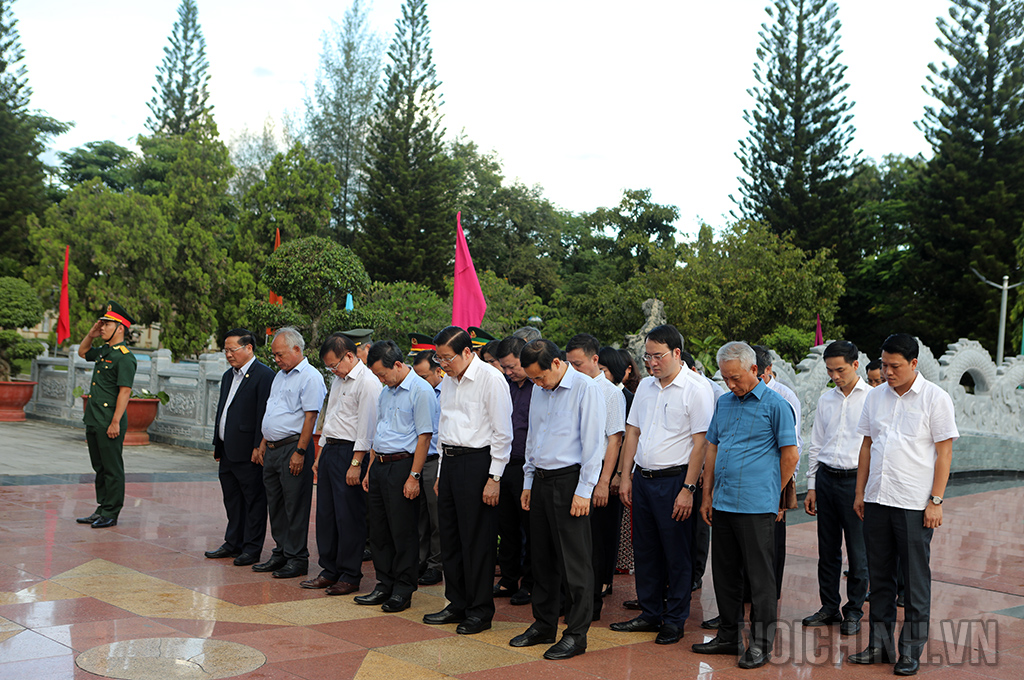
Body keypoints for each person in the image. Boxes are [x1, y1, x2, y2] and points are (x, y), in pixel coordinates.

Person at [850, 333, 957, 676]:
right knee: (878, 579)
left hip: (914, 504)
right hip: (877, 499)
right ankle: (879, 645)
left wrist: (935, 501)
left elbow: (944, 453)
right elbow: (867, 445)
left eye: (894, 366)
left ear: (913, 363)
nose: (887, 371)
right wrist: (859, 493)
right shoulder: (876, 397)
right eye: (884, 364)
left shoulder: (935, 399)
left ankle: (910, 651)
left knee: (913, 582)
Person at [693, 341, 798, 670]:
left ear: (755, 370)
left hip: (756, 506)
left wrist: (770, 492)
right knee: (724, 574)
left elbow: (790, 455)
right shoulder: (724, 403)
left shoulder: (776, 405)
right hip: (723, 502)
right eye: (726, 378)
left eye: (736, 377)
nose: (731, 384)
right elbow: (712, 448)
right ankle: (727, 636)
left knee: (760, 578)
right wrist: (707, 494)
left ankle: (762, 645)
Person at [612, 325, 713, 645]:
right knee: (646, 550)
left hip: (675, 482)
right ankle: (650, 612)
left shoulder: (696, 389)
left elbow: (701, 444)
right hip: (643, 479)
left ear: (676, 353)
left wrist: (688, 489)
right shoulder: (645, 388)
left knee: (676, 552)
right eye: (647, 356)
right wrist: (625, 476)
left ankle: (675, 618)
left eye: (658, 356)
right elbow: (633, 432)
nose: (652, 363)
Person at [510, 339, 605, 660]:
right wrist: (527, 480)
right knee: (542, 558)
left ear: (555, 363)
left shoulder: (585, 388)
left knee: (574, 562)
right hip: (540, 480)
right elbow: (534, 437)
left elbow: (594, 443)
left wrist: (584, 490)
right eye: (532, 379)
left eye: (540, 377)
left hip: (570, 481)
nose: (537, 384)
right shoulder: (540, 388)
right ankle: (543, 623)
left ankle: (576, 634)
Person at [423, 326, 513, 635]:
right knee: (450, 536)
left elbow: (503, 434)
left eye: (447, 358)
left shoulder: (491, 379)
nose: (443, 365)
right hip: (449, 463)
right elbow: (444, 426)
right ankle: (456, 602)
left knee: (477, 540)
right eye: (439, 359)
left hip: (478, 464)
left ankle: (479, 610)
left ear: (467, 352)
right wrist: (439, 474)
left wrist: (495, 477)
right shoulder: (449, 381)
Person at [355, 341, 437, 612]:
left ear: (398, 365)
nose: (381, 379)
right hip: (379, 465)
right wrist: (369, 469)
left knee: (402, 529)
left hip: (404, 466)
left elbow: (424, 437)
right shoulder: (386, 392)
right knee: (378, 529)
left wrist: (414, 476)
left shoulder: (421, 391)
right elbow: (381, 430)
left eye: (382, 374)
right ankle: (384, 583)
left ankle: (403, 588)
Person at [300, 333, 381, 595]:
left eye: (335, 364)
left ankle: (349, 574)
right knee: (326, 514)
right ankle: (329, 569)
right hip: (331, 450)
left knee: (349, 516)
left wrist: (357, 463)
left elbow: (367, 428)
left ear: (349, 355)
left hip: (351, 453)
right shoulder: (338, 380)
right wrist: (319, 454)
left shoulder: (368, 382)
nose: (333, 370)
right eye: (329, 367)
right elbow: (331, 418)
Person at [802, 340, 870, 635]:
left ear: (856, 365)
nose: (835, 376)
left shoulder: (873, 398)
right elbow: (817, 443)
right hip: (827, 480)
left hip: (856, 482)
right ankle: (829, 606)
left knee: (858, 552)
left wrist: (865, 490)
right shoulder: (825, 400)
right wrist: (812, 485)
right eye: (830, 370)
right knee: (827, 550)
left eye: (840, 369)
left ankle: (853, 610)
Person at [253, 327, 327, 579]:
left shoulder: (310, 377)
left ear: (297, 349)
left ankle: (297, 558)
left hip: (293, 448)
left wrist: (300, 452)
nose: (276, 359)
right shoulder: (280, 376)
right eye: (274, 355)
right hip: (273, 448)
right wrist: (263, 442)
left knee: (295, 505)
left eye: (280, 354)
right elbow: (272, 412)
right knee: (275, 503)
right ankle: (281, 551)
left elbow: (310, 418)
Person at [565, 333, 625, 616]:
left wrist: (603, 483)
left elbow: (614, 440)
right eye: (569, 363)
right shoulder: (569, 388)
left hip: (599, 470)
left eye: (578, 363)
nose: (573, 369)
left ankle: (593, 602)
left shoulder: (610, 392)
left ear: (595, 360)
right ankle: (572, 598)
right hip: (572, 469)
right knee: (574, 540)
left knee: (597, 542)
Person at [206, 329, 274, 566]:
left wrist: (259, 446)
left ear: (249, 348)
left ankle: (252, 548)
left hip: (249, 451)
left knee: (253, 501)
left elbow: (263, 414)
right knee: (232, 499)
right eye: (225, 350)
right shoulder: (228, 376)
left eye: (232, 350)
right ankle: (232, 542)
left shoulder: (264, 375)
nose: (228, 355)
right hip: (227, 449)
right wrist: (218, 443)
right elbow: (223, 411)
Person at [75, 301, 138, 529]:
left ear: (120, 327)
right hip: (94, 417)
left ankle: (112, 512)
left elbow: (125, 392)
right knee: (99, 467)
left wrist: (115, 422)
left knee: (112, 468)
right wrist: (91, 335)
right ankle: (101, 508)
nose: (102, 327)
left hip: (109, 420)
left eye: (106, 324)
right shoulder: (104, 352)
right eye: (101, 324)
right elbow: (82, 352)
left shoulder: (124, 357)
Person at [753, 344, 801, 599]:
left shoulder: (784, 398)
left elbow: (793, 449)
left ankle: (768, 597)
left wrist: (780, 494)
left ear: (767, 370)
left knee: (771, 543)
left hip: (773, 481)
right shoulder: (734, 395)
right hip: (745, 484)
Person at [493, 336, 535, 606]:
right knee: (505, 525)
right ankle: (509, 577)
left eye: (513, 367)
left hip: (528, 466)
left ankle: (530, 583)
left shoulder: (539, 386)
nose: (508, 372)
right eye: (504, 368)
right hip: (503, 464)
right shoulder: (502, 386)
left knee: (530, 528)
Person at [411, 348, 443, 586]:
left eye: (423, 377)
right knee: (418, 516)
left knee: (436, 518)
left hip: (435, 461)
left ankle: (436, 565)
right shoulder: (418, 393)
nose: (420, 381)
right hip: (416, 461)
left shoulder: (446, 394)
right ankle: (420, 560)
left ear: (438, 371)